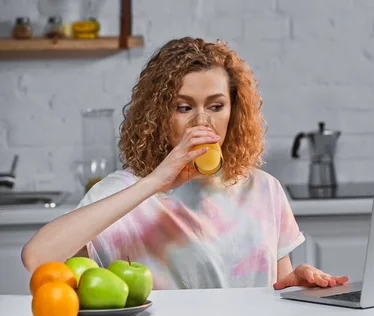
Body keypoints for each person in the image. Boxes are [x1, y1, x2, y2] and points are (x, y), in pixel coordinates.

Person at [21, 37, 349, 291]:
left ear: (234, 113)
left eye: (216, 106)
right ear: (159, 115)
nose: (201, 122)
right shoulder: (126, 191)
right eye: (183, 108)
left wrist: (297, 280)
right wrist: (155, 182)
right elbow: (37, 257)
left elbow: (277, 285)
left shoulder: (263, 188)